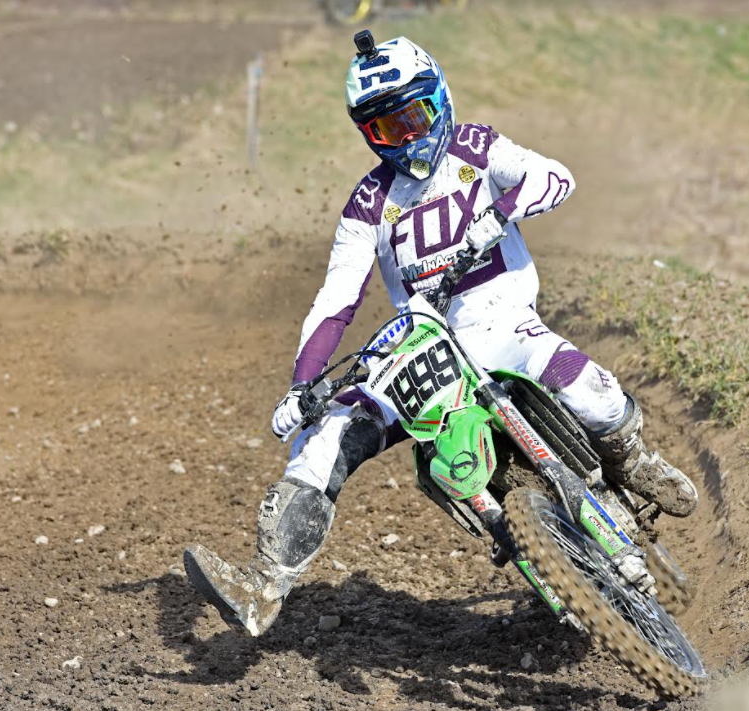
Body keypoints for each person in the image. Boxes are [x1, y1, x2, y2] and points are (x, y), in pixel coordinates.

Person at [183, 33, 698, 637]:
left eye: (412, 118)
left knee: (595, 395)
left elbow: (554, 177)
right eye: (384, 130)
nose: (404, 139)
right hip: (424, 342)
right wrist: (302, 386)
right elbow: (336, 300)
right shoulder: (367, 204)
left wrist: (499, 214)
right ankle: (263, 586)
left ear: (439, 99)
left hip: (501, 318)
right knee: (321, 441)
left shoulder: (474, 147)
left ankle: (630, 459)